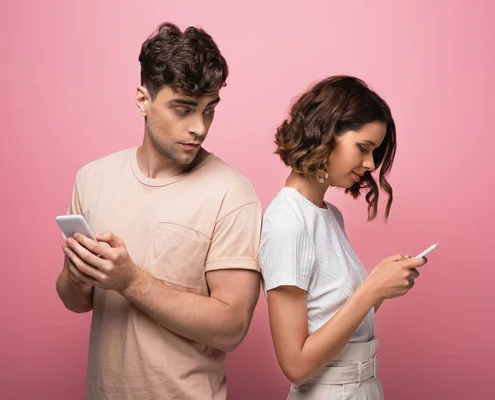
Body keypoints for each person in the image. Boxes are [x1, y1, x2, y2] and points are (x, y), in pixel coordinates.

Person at [55, 22, 262, 400]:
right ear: (142, 100)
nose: (199, 127)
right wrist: (78, 275)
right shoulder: (91, 179)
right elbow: (74, 300)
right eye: (183, 109)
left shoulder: (233, 193)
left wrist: (130, 280)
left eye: (209, 110)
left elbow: (232, 326)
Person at [259, 75, 428, 399]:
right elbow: (295, 363)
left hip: (362, 386)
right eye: (363, 148)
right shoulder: (287, 221)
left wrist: (381, 286)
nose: (369, 165)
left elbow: (331, 316)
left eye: (374, 152)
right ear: (325, 133)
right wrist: (371, 288)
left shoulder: (328, 215)